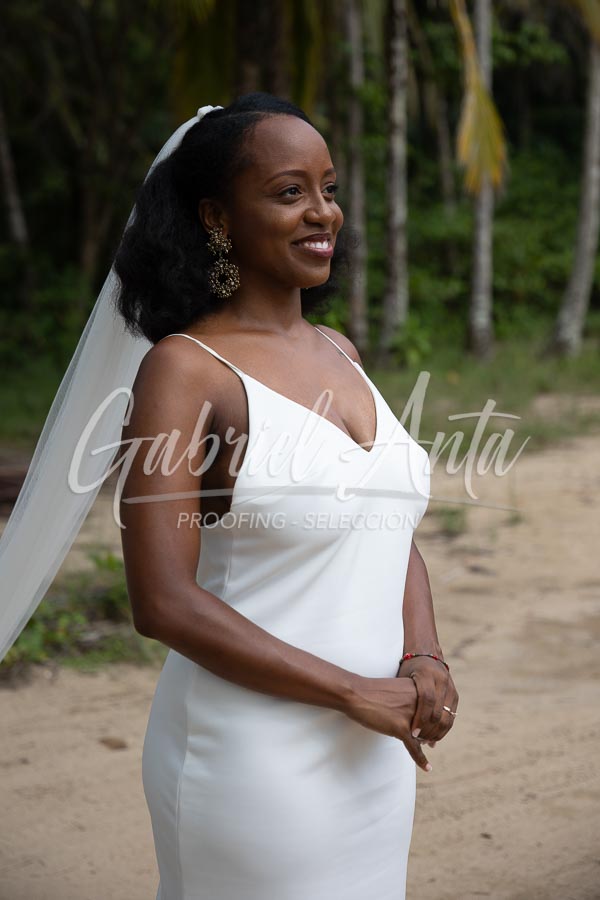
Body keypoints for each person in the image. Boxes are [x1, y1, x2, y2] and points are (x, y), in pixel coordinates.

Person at [0, 91, 458, 899]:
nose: (322, 212)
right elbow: (162, 602)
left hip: (375, 749)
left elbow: (384, 528)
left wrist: (423, 655)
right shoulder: (186, 371)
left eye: (328, 188)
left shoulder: (340, 351)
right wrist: (353, 691)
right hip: (253, 758)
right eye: (288, 192)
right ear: (216, 217)